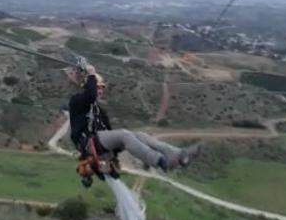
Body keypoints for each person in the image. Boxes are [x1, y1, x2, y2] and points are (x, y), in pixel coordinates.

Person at [69, 64, 200, 173]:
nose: (100, 91)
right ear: (88, 87)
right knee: (124, 135)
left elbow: (108, 133)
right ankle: (159, 161)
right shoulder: (77, 101)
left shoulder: (99, 111)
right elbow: (90, 96)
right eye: (97, 87)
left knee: (139, 135)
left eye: (102, 88)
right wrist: (91, 73)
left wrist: (113, 158)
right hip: (87, 144)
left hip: (99, 145)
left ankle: (176, 155)